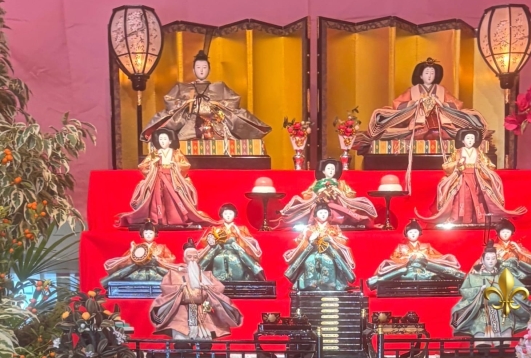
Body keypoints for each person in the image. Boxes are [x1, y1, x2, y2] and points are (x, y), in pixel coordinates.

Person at [354, 58, 488, 153]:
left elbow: (457, 104)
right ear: (421, 76)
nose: (429, 76)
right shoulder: (412, 90)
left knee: (454, 130)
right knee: (402, 132)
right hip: (417, 121)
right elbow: (397, 104)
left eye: (432, 73)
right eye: (427, 73)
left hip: (440, 121)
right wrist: (414, 103)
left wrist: (442, 104)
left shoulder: (442, 90)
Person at [141, 50, 271, 143]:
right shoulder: (182, 87)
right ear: (193, 70)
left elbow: (234, 101)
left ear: (209, 69)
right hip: (190, 123)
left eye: (204, 67)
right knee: (179, 142)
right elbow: (170, 101)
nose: (201, 70)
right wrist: (186, 104)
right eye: (198, 67)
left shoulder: (219, 87)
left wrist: (217, 105)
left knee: (225, 142)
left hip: (215, 124)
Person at [418, 128, 526, 226]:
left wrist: (480, 166)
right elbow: (446, 166)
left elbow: (490, 165)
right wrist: (457, 163)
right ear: (463, 140)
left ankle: (478, 218)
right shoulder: (458, 152)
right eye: (468, 138)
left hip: (476, 178)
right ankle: (457, 218)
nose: (470, 140)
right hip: (462, 177)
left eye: (472, 138)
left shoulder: (479, 152)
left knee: (478, 197)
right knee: (461, 197)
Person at [117, 128, 213, 228]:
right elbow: (143, 166)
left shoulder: (176, 153)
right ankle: (158, 219)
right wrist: (153, 164)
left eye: (164, 139)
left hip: (172, 178)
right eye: (160, 139)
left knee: (173, 198)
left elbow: (185, 165)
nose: (162, 141)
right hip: (158, 177)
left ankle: (175, 219)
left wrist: (175, 165)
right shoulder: (154, 153)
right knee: (157, 197)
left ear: (170, 141)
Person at [150, 239, 242, 339]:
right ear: (184, 259)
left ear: (198, 258)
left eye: (195, 257)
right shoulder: (174, 274)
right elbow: (166, 288)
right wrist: (180, 289)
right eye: (189, 257)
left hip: (202, 310)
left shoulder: (207, 275)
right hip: (181, 312)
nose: (192, 259)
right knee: (181, 341)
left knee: (205, 341)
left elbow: (217, 290)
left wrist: (207, 290)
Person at [451, 241, 531, 339]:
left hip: (503, 314)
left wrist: (507, 292)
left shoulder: (504, 276)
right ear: (482, 260)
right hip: (480, 314)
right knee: (482, 340)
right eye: (488, 258)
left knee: (504, 339)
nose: (491, 261)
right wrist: (479, 290)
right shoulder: (473, 277)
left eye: (493, 258)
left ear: (497, 260)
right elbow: (465, 291)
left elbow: (519, 290)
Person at [279, 159, 377, 228]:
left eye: (333, 169)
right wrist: (319, 193)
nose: (331, 171)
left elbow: (350, 194)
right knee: (313, 209)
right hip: (320, 204)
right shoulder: (318, 182)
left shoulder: (341, 183)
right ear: (323, 171)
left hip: (337, 205)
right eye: (329, 169)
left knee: (344, 212)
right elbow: (307, 194)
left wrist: (339, 192)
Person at [367, 219, 464, 287]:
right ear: (406, 234)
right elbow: (394, 258)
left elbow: (438, 257)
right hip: (407, 270)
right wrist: (408, 258)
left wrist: (425, 256)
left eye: (415, 232)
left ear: (419, 233)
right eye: (410, 232)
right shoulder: (401, 247)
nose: (413, 234)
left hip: (425, 269)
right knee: (399, 273)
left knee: (436, 272)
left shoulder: (426, 246)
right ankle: (377, 281)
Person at [283, 202, 356, 291]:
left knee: (328, 261)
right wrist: (307, 237)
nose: (323, 215)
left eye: (325, 212)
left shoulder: (335, 228)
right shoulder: (309, 228)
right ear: (315, 215)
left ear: (329, 214)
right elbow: (298, 240)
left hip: (329, 252)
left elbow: (343, 240)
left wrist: (331, 239)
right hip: (312, 252)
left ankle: (328, 286)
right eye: (320, 213)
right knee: (309, 260)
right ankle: (309, 286)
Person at [198, 203, 266, 282]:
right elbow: (207, 240)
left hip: (236, 251)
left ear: (234, 215)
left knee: (237, 259)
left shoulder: (241, 229)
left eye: (230, 213)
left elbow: (248, 241)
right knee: (218, 258)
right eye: (225, 213)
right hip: (219, 250)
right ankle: (205, 276)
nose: (228, 216)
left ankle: (249, 276)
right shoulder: (216, 229)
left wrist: (239, 236)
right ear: (221, 215)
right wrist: (213, 240)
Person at [101, 222, 176, 286]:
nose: (148, 235)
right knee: (124, 277)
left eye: (151, 233)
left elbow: (171, 259)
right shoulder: (137, 247)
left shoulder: (162, 247)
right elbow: (125, 261)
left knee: (173, 278)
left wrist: (159, 259)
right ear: (142, 234)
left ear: (155, 234)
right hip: (138, 270)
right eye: (146, 233)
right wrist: (132, 252)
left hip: (157, 270)